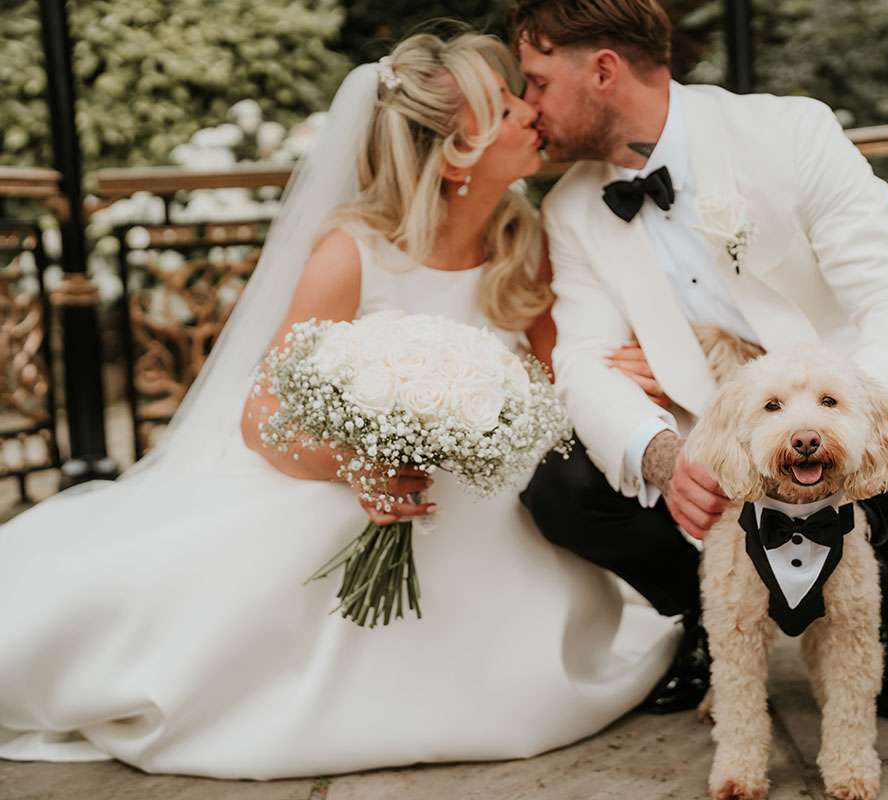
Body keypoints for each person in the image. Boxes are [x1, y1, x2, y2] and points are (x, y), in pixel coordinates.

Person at [0, 32, 678, 780]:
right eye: (508, 105)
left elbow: (558, 380)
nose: (530, 112)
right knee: (264, 557)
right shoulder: (353, 253)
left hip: (488, 485)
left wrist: (616, 369)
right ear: (458, 153)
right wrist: (358, 465)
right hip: (346, 480)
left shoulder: (524, 239)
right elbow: (262, 414)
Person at [510, 0, 888, 720]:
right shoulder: (570, 209)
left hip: (842, 403)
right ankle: (709, 624)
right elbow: (582, 362)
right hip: (706, 434)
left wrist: (853, 427)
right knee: (560, 488)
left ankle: (864, 617)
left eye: (535, 81)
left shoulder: (791, 133)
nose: (527, 104)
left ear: (602, 70)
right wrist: (661, 453)